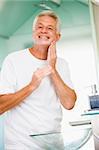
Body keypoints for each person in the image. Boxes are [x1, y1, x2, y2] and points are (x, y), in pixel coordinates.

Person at [0, 10, 77, 150]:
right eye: (40, 27)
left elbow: (69, 103)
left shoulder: (62, 64)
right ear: (33, 32)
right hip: (21, 144)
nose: (44, 31)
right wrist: (31, 86)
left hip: (54, 143)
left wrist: (52, 68)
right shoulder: (13, 60)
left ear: (58, 36)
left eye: (50, 28)